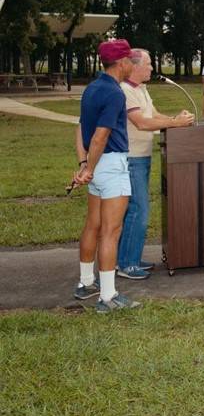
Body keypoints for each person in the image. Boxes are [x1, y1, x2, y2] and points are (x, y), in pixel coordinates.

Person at [72, 39, 139, 312]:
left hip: (97, 164)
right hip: (110, 166)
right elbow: (100, 136)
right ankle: (107, 297)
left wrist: (85, 164)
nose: (131, 66)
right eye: (130, 61)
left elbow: (79, 129)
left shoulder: (91, 89)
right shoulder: (114, 93)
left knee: (93, 225)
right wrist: (89, 167)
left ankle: (86, 282)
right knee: (111, 231)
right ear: (121, 63)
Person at [117, 49, 195, 279]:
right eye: (149, 64)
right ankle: (126, 265)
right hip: (132, 158)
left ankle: (130, 258)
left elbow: (154, 114)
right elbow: (141, 123)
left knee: (136, 209)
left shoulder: (141, 88)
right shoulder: (124, 91)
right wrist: (176, 123)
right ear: (134, 66)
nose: (152, 68)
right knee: (137, 210)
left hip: (142, 156)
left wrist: (175, 120)